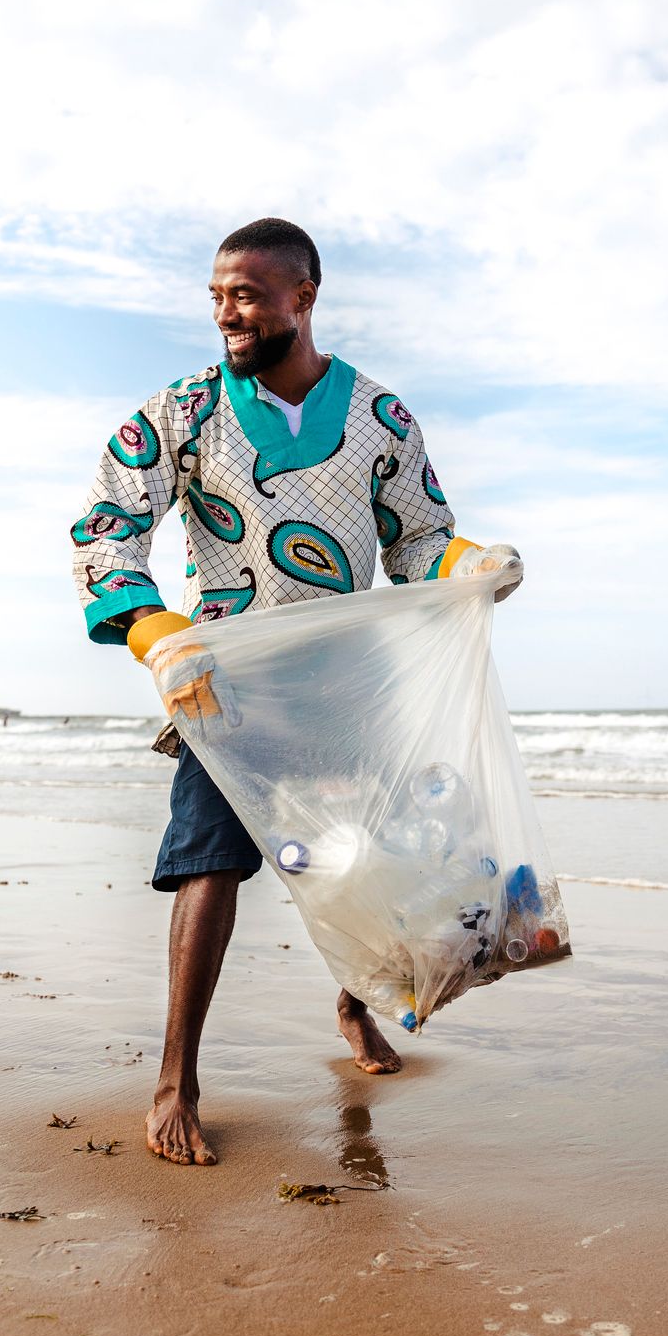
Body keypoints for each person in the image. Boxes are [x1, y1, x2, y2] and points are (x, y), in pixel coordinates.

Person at [71, 217, 521, 1166]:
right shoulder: (181, 412)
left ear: (302, 298)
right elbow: (107, 530)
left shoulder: (379, 418)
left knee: (363, 862)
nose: (227, 313)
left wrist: (472, 560)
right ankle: (175, 1080)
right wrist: (157, 637)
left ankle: (355, 1009)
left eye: (246, 295)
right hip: (220, 684)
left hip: (348, 683)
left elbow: (413, 540)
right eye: (216, 296)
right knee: (208, 868)